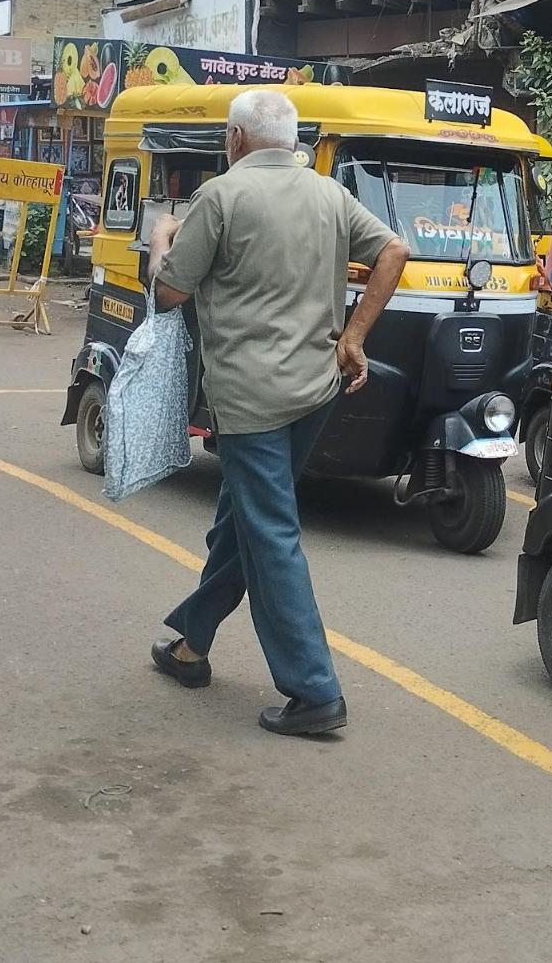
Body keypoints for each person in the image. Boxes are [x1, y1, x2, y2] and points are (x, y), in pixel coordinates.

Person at [147, 90, 409, 737]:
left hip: (251, 400)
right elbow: (393, 252)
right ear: (292, 140)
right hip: (314, 391)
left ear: (236, 138)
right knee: (242, 518)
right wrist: (354, 337)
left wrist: (161, 239)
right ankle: (192, 641)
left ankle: (314, 688)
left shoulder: (222, 195)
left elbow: (170, 289)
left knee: (269, 534)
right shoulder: (328, 194)